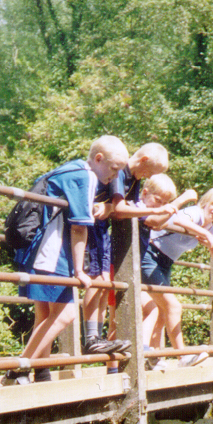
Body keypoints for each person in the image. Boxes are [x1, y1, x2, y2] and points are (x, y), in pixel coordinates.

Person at [6, 135, 128, 385]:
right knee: (66, 314)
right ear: (98, 159)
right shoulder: (85, 176)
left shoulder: (70, 168)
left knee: (46, 315)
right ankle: (18, 369)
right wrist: (80, 271)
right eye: (114, 169)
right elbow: (79, 228)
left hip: (37, 250)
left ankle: (38, 372)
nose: (115, 177)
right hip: (50, 253)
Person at [82, 142, 171, 356]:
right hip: (93, 225)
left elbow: (130, 208)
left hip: (103, 229)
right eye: (148, 171)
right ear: (142, 161)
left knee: (104, 285)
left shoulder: (135, 179)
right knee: (97, 282)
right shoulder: (121, 172)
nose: (147, 176)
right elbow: (123, 209)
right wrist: (117, 208)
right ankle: (90, 337)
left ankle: (97, 337)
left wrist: (116, 208)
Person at [140, 186, 213, 369]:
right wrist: (202, 233)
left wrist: (212, 246)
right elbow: (177, 218)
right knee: (173, 306)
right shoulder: (195, 213)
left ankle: (153, 358)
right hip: (150, 255)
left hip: (165, 263)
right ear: (205, 203)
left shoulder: (212, 228)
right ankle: (183, 356)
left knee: (162, 311)